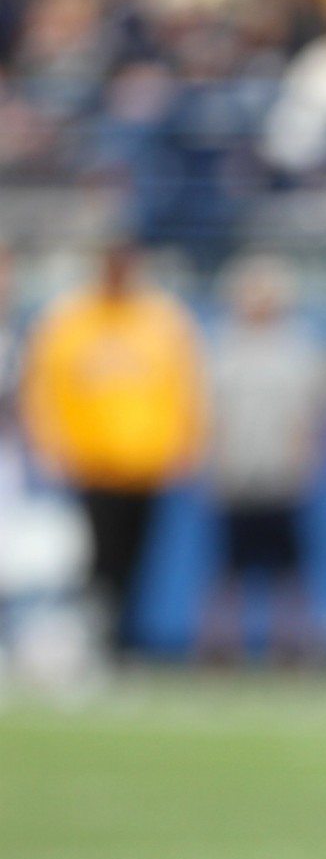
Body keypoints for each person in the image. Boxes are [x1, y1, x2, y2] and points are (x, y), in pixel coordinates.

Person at [18, 239, 208, 655]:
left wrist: (185, 443)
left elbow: (185, 387)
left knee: (136, 560)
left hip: (145, 463)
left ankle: (122, 638)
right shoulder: (70, 318)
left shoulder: (162, 319)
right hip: (88, 463)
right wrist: (49, 445)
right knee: (92, 560)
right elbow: (44, 388)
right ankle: (91, 642)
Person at [197, 255, 326, 664]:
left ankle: (293, 648)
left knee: (290, 572)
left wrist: (315, 461)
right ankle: (219, 650)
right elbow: (207, 414)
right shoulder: (222, 345)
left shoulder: (301, 345)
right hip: (235, 476)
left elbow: (321, 413)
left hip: (284, 476)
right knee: (227, 571)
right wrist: (210, 463)